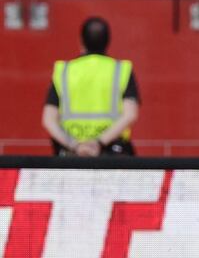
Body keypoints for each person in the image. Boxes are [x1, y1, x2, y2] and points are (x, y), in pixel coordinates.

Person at [41, 17, 140, 156]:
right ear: (108, 41)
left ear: (81, 41)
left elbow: (48, 119)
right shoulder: (121, 70)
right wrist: (98, 143)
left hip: (71, 155)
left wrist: (74, 145)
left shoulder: (64, 71)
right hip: (113, 153)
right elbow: (130, 114)